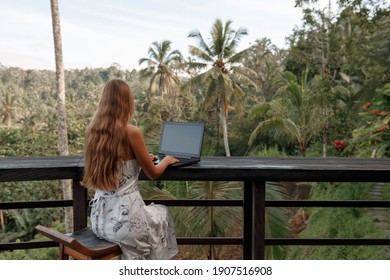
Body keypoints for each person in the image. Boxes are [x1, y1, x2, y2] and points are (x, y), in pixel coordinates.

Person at [81, 79, 179, 260]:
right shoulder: (130, 131)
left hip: (100, 222)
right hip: (126, 224)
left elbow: (118, 162)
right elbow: (153, 173)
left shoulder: (93, 132)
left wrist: (139, 160)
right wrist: (165, 161)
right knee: (162, 212)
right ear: (126, 102)